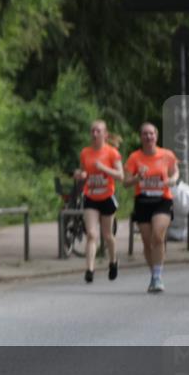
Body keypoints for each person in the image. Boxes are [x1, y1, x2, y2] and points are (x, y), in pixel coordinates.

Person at [123, 122, 179, 293]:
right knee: (147, 242)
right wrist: (137, 177)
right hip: (143, 201)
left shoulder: (167, 155)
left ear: (156, 136)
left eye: (151, 134)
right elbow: (125, 182)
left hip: (162, 200)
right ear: (141, 137)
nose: (148, 137)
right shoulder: (134, 158)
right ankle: (154, 275)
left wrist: (172, 180)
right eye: (145, 134)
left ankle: (158, 276)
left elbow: (175, 172)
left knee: (157, 235)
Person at [73, 120, 123, 283]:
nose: (94, 134)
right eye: (92, 131)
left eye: (98, 131)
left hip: (107, 197)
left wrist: (103, 168)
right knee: (92, 235)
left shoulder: (112, 153)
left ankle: (113, 262)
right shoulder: (85, 152)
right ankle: (90, 269)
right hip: (91, 197)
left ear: (105, 135)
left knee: (108, 235)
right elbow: (83, 170)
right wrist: (80, 174)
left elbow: (120, 176)